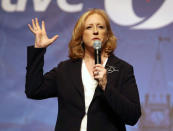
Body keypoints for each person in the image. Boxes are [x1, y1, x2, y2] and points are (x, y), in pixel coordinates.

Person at [25, 8, 141, 131]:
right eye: (89, 27)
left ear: (107, 35)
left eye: (101, 27)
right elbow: (34, 90)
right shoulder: (65, 69)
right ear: (81, 35)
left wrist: (106, 86)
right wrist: (38, 50)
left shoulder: (123, 69)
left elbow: (133, 116)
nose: (95, 31)